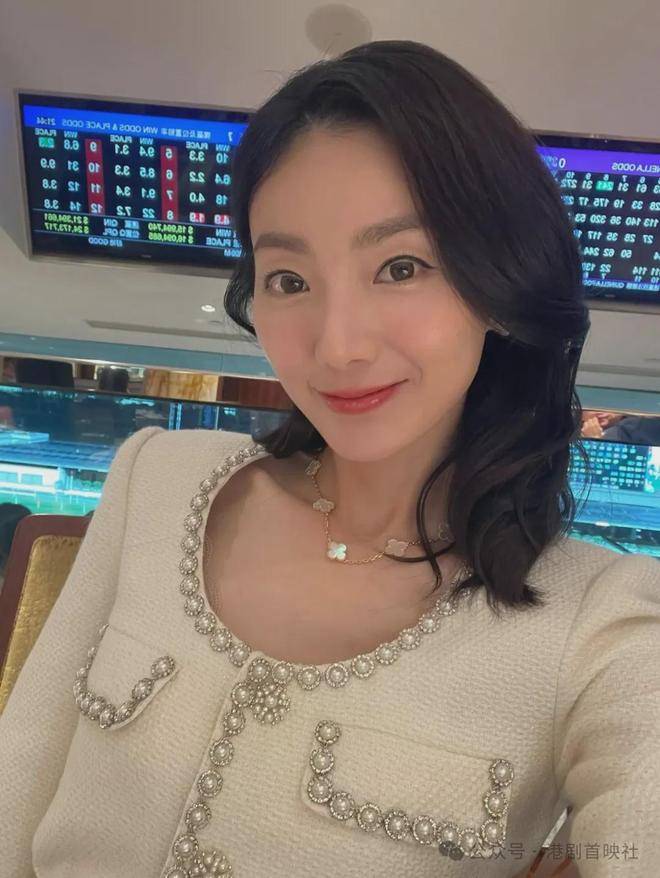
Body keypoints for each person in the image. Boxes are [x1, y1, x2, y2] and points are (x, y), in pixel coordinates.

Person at [1, 40, 658, 878]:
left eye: (401, 267)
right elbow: (17, 782)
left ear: (498, 284)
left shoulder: (601, 625)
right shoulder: (154, 478)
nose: (337, 346)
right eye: (288, 279)